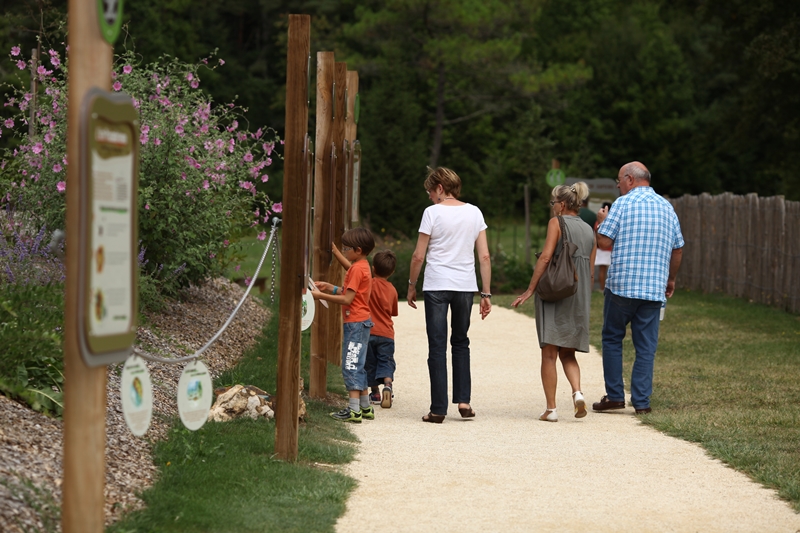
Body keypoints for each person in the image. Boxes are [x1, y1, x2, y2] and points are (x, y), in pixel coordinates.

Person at [592, 161, 684, 415]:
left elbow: (603, 242)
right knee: (646, 347)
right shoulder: (667, 207)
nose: (618, 185)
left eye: (619, 180)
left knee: (612, 339)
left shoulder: (622, 204)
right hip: (654, 288)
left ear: (630, 180)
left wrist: (601, 221)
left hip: (622, 286)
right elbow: (677, 248)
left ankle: (615, 396)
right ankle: (642, 402)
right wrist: (670, 279)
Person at [407, 167, 491, 424]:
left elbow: (418, 255)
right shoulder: (475, 212)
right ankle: (463, 401)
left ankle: (438, 409)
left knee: (437, 346)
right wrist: (485, 293)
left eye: (430, 191)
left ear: (440, 188)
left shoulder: (432, 213)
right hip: (465, 286)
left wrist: (411, 285)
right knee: (461, 342)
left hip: (436, 286)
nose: (429, 197)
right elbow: (484, 257)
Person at [512, 182, 596, 422]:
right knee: (568, 353)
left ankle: (551, 409)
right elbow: (589, 270)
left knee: (549, 353)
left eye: (552, 203)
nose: (551, 208)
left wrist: (530, 289)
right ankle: (577, 392)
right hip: (578, 294)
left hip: (555, 292)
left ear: (561, 205)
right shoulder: (589, 229)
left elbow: (547, 256)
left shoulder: (556, 223)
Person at [311, 227, 375, 423]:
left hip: (354, 324)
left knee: (350, 365)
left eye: (346, 248)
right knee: (359, 364)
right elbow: (353, 291)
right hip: (362, 321)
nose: (344, 250)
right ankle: (365, 407)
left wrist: (321, 296)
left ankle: (353, 411)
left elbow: (348, 299)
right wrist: (331, 287)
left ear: (357, 250)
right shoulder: (363, 266)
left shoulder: (356, 269)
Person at [365, 249, 399, 409]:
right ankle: (388, 385)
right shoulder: (392, 290)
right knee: (385, 360)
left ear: (373, 269)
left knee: (370, 363)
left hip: (369, 331)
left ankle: (376, 392)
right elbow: (393, 312)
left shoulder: (369, 284)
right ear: (391, 272)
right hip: (386, 334)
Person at [594, 201, 613, 291]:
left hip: (599, 248)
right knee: (604, 270)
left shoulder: (598, 220)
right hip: (608, 249)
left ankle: (602, 288)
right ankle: (603, 288)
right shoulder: (611, 220)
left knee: (601, 270)